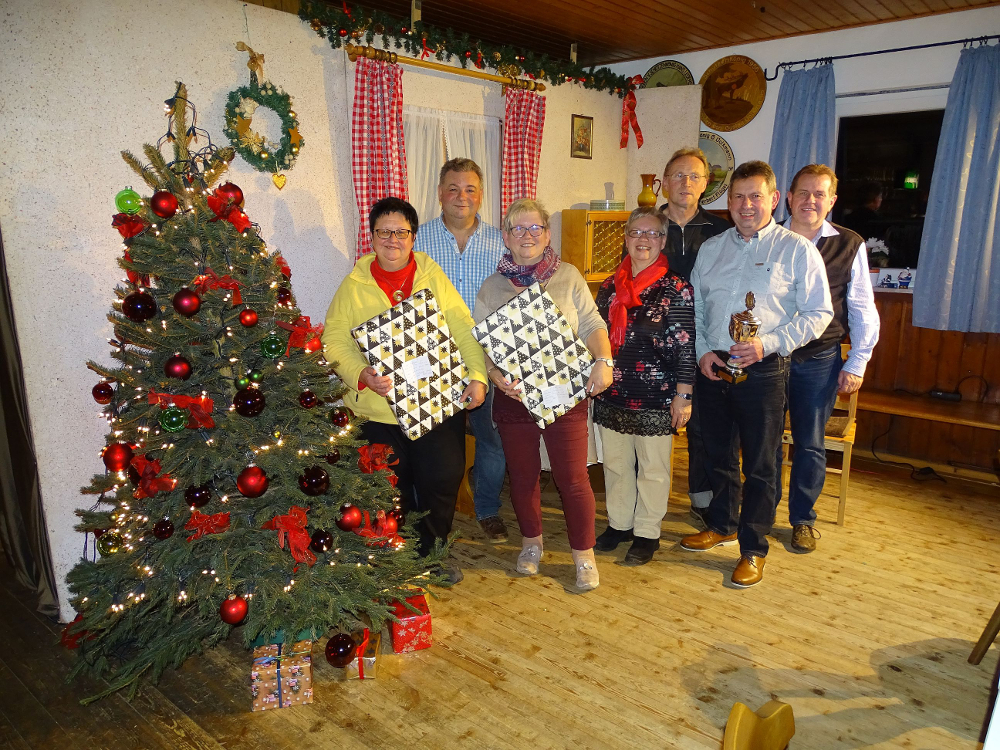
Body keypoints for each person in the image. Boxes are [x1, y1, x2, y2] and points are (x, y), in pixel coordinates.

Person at [680, 161, 832, 588]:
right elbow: (697, 308)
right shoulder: (712, 248)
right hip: (714, 366)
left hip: (764, 368)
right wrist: (703, 351)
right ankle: (723, 525)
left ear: (774, 199)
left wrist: (768, 344)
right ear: (728, 202)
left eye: (755, 196)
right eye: (738, 197)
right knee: (718, 454)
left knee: (762, 464)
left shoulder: (797, 250)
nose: (746, 205)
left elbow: (819, 313)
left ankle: (753, 548)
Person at [322, 197, 488, 585]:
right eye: (384, 231)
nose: (392, 239)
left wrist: (477, 375)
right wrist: (361, 374)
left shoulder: (432, 275)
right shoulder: (353, 284)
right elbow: (334, 339)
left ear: (413, 237)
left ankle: (433, 554)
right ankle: (395, 558)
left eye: (401, 232)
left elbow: (462, 327)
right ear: (372, 236)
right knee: (387, 487)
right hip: (379, 412)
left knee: (441, 479)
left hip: (437, 404)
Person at [474, 198, 613, 593]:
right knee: (523, 477)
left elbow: (592, 324)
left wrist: (603, 360)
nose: (528, 235)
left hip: (564, 394)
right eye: (518, 228)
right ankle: (531, 543)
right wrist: (494, 374)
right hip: (514, 398)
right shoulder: (492, 285)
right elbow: (482, 341)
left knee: (573, 478)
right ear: (506, 237)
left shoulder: (568, 276)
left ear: (548, 234)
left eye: (535, 227)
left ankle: (583, 555)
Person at [779, 164, 880, 552]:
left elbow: (862, 306)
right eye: (803, 193)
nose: (810, 200)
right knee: (763, 439)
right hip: (769, 358)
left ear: (832, 201)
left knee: (810, 444)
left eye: (819, 194)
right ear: (789, 198)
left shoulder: (849, 244)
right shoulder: (768, 238)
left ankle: (802, 519)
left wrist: (858, 361)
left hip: (819, 360)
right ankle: (760, 511)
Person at [593, 207, 696, 566]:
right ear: (625, 238)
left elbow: (686, 345)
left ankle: (648, 532)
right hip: (612, 393)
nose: (643, 239)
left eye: (652, 233)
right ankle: (619, 524)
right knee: (616, 465)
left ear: (663, 241)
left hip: (657, 396)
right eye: (636, 232)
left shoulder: (675, 288)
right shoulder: (609, 286)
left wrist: (684, 395)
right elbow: (596, 336)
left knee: (652, 469)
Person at [413, 158, 509, 544]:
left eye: (470, 189)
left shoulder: (501, 241)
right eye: (453, 188)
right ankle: (430, 517)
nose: (461, 196)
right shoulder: (416, 240)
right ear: (440, 193)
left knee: (493, 439)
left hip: (487, 359)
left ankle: (486, 507)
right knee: (438, 447)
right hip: (433, 361)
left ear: (480, 195)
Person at [657, 148, 732, 528]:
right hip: (656, 343)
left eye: (694, 176)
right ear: (664, 182)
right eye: (678, 175)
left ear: (705, 185)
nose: (686, 182)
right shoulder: (647, 225)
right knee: (652, 422)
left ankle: (702, 498)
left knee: (702, 425)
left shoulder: (722, 230)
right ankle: (644, 502)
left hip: (704, 341)